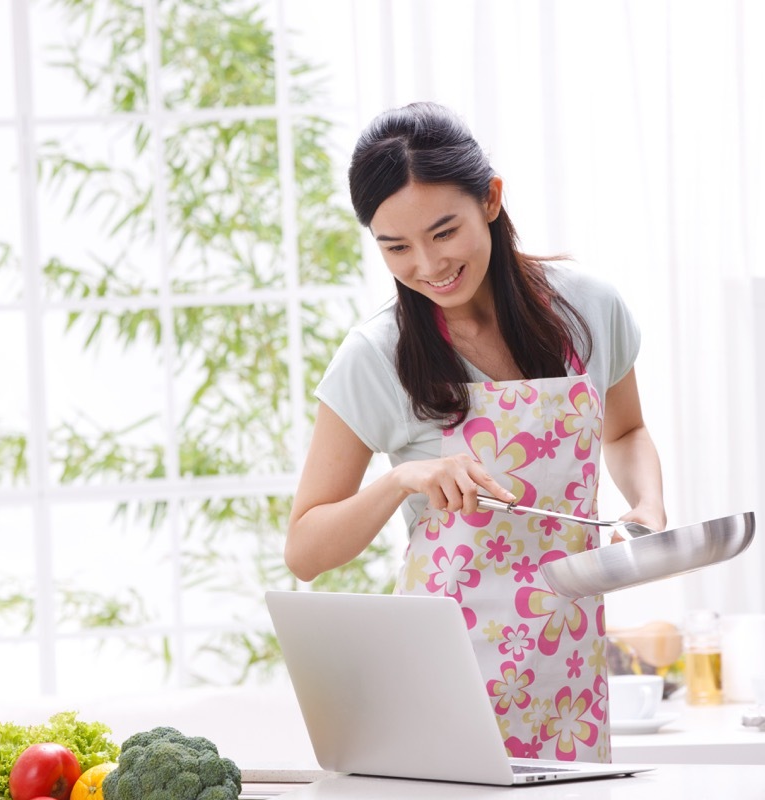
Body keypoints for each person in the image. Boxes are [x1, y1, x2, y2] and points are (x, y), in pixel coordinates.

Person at [284, 101, 666, 763]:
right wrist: (405, 478)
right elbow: (305, 551)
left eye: (443, 231)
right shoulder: (375, 356)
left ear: (490, 199)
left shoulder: (590, 309)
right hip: (440, 686)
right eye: (394, 246)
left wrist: (650, 504)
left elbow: (627, 431)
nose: (427, 264)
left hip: (567, 675)